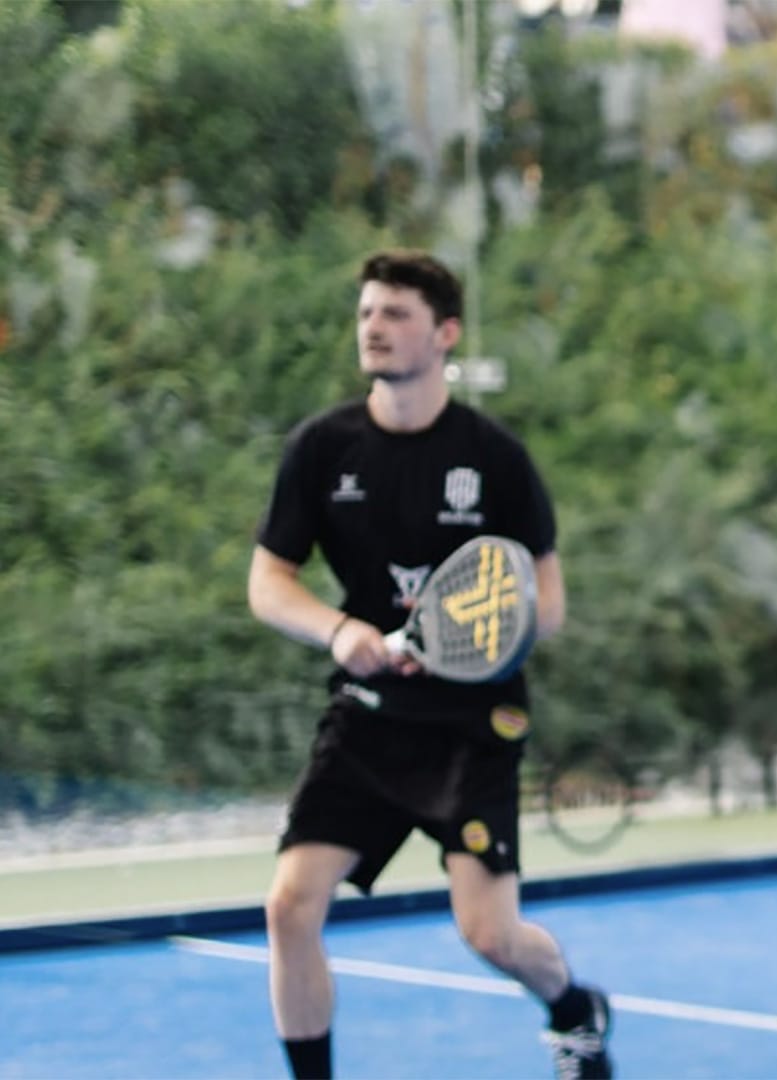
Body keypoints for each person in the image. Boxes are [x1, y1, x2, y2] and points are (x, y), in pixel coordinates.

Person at [247, 252, 612, 1080]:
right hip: (367, 717)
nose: (374, 327)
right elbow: (268, 584)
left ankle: (571, 1009)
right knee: (289, 908)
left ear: (445, 334)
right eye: (367, 312)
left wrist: (470, 628)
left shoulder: (496, 458)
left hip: (474, 727)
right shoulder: (321, 449)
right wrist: (340, 632)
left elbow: (545, 604)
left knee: (490, 935)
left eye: (397, 314)